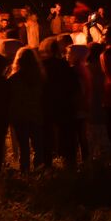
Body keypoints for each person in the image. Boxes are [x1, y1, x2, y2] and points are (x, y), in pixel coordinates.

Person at [38, 37, 80, 167]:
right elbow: (74, 85)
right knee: (67, 134)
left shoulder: (41, 66)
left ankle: (47, 164)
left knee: (46, 136)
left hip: (47, 104)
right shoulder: (64, 65)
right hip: (64, 104)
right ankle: (70, 162)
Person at [7, 47, 44, 173]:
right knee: (38, 144)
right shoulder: (40, 77)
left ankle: (25, 171)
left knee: (23, 146)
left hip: (20, 116)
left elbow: (9, 99)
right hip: (36, 114)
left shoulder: (13, 79)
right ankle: (39, 169)